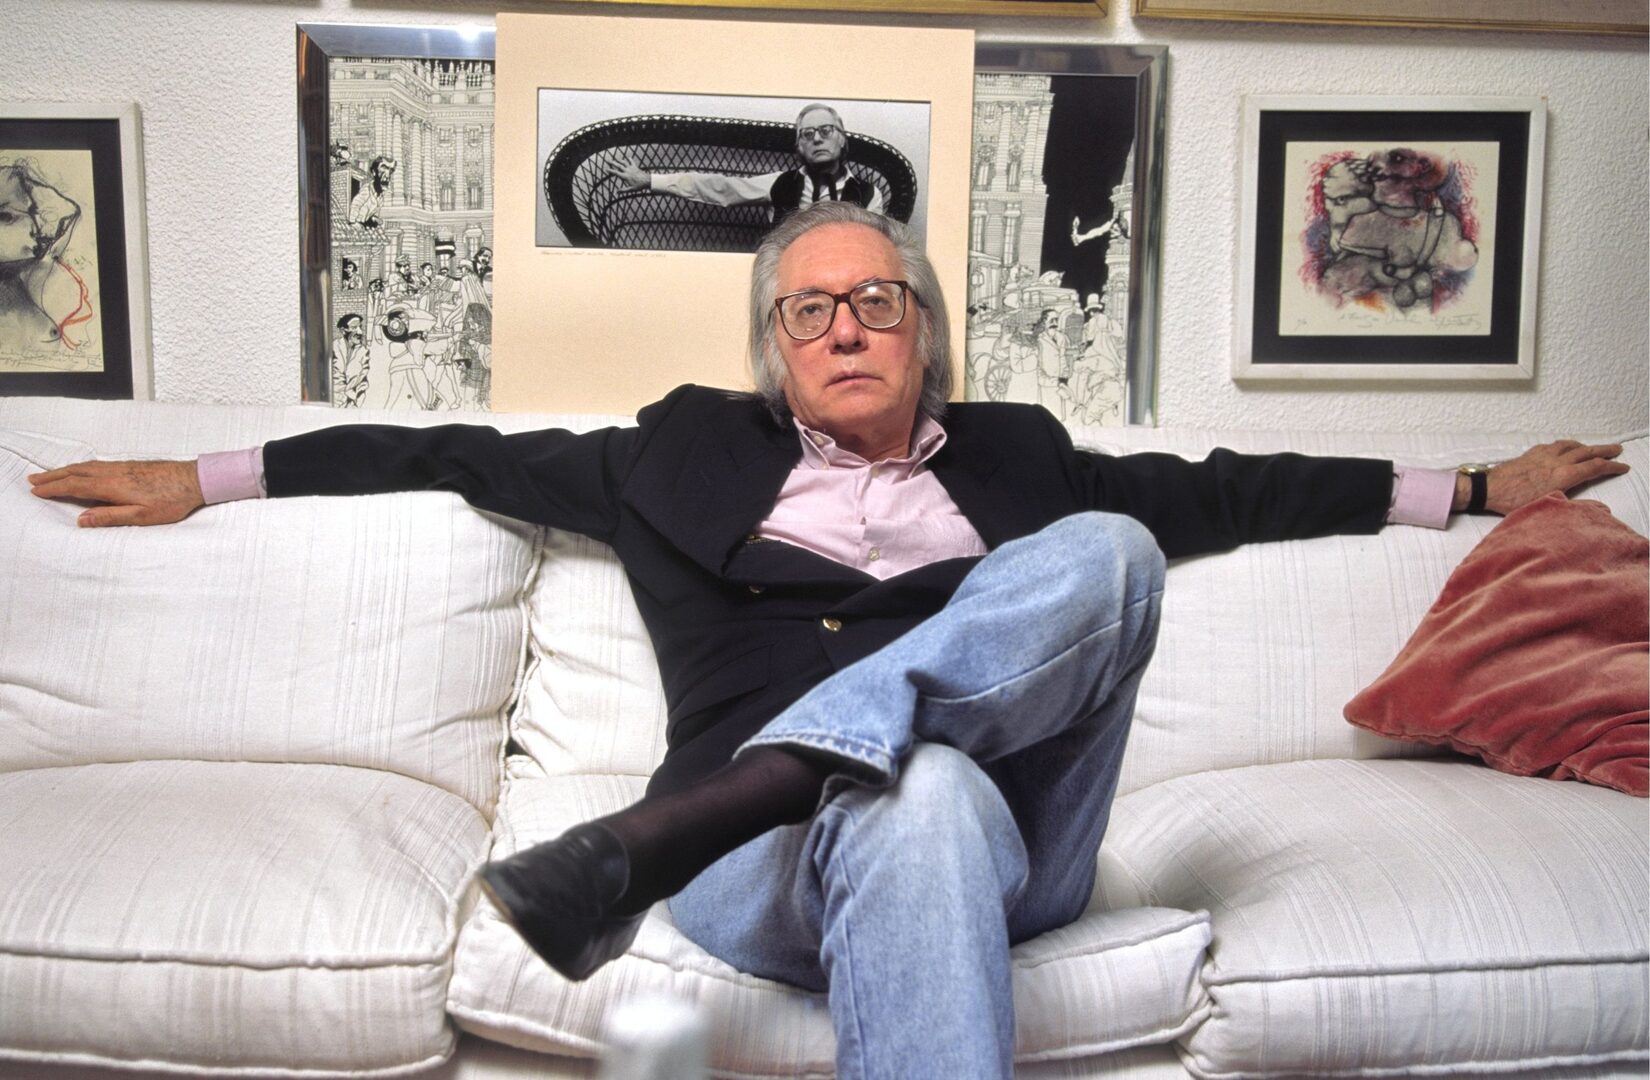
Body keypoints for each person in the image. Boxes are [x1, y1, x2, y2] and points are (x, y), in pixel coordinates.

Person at [25, 202, 1628, 1079]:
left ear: (923, 333)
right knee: (910, 786)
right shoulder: (671, 452)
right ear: (774, 348)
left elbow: (1234, 488)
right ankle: (777, 788)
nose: (847, 326)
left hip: (1013, 847)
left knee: (1117, 552)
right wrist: (206, 475)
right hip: (764, 872)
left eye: (878, 302)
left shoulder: (1023, 457)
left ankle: (716, 804)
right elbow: (443, 448)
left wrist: (1478, 489)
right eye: (812, 309)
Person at [609, 103, 886, 228]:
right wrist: (650, 180)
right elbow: (719, 188)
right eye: (807, 134)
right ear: (799, 147)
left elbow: (875, 249)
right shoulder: (780, 183)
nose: (816, 139)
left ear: (842, 139)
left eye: (826, 131)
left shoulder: (869, 195)